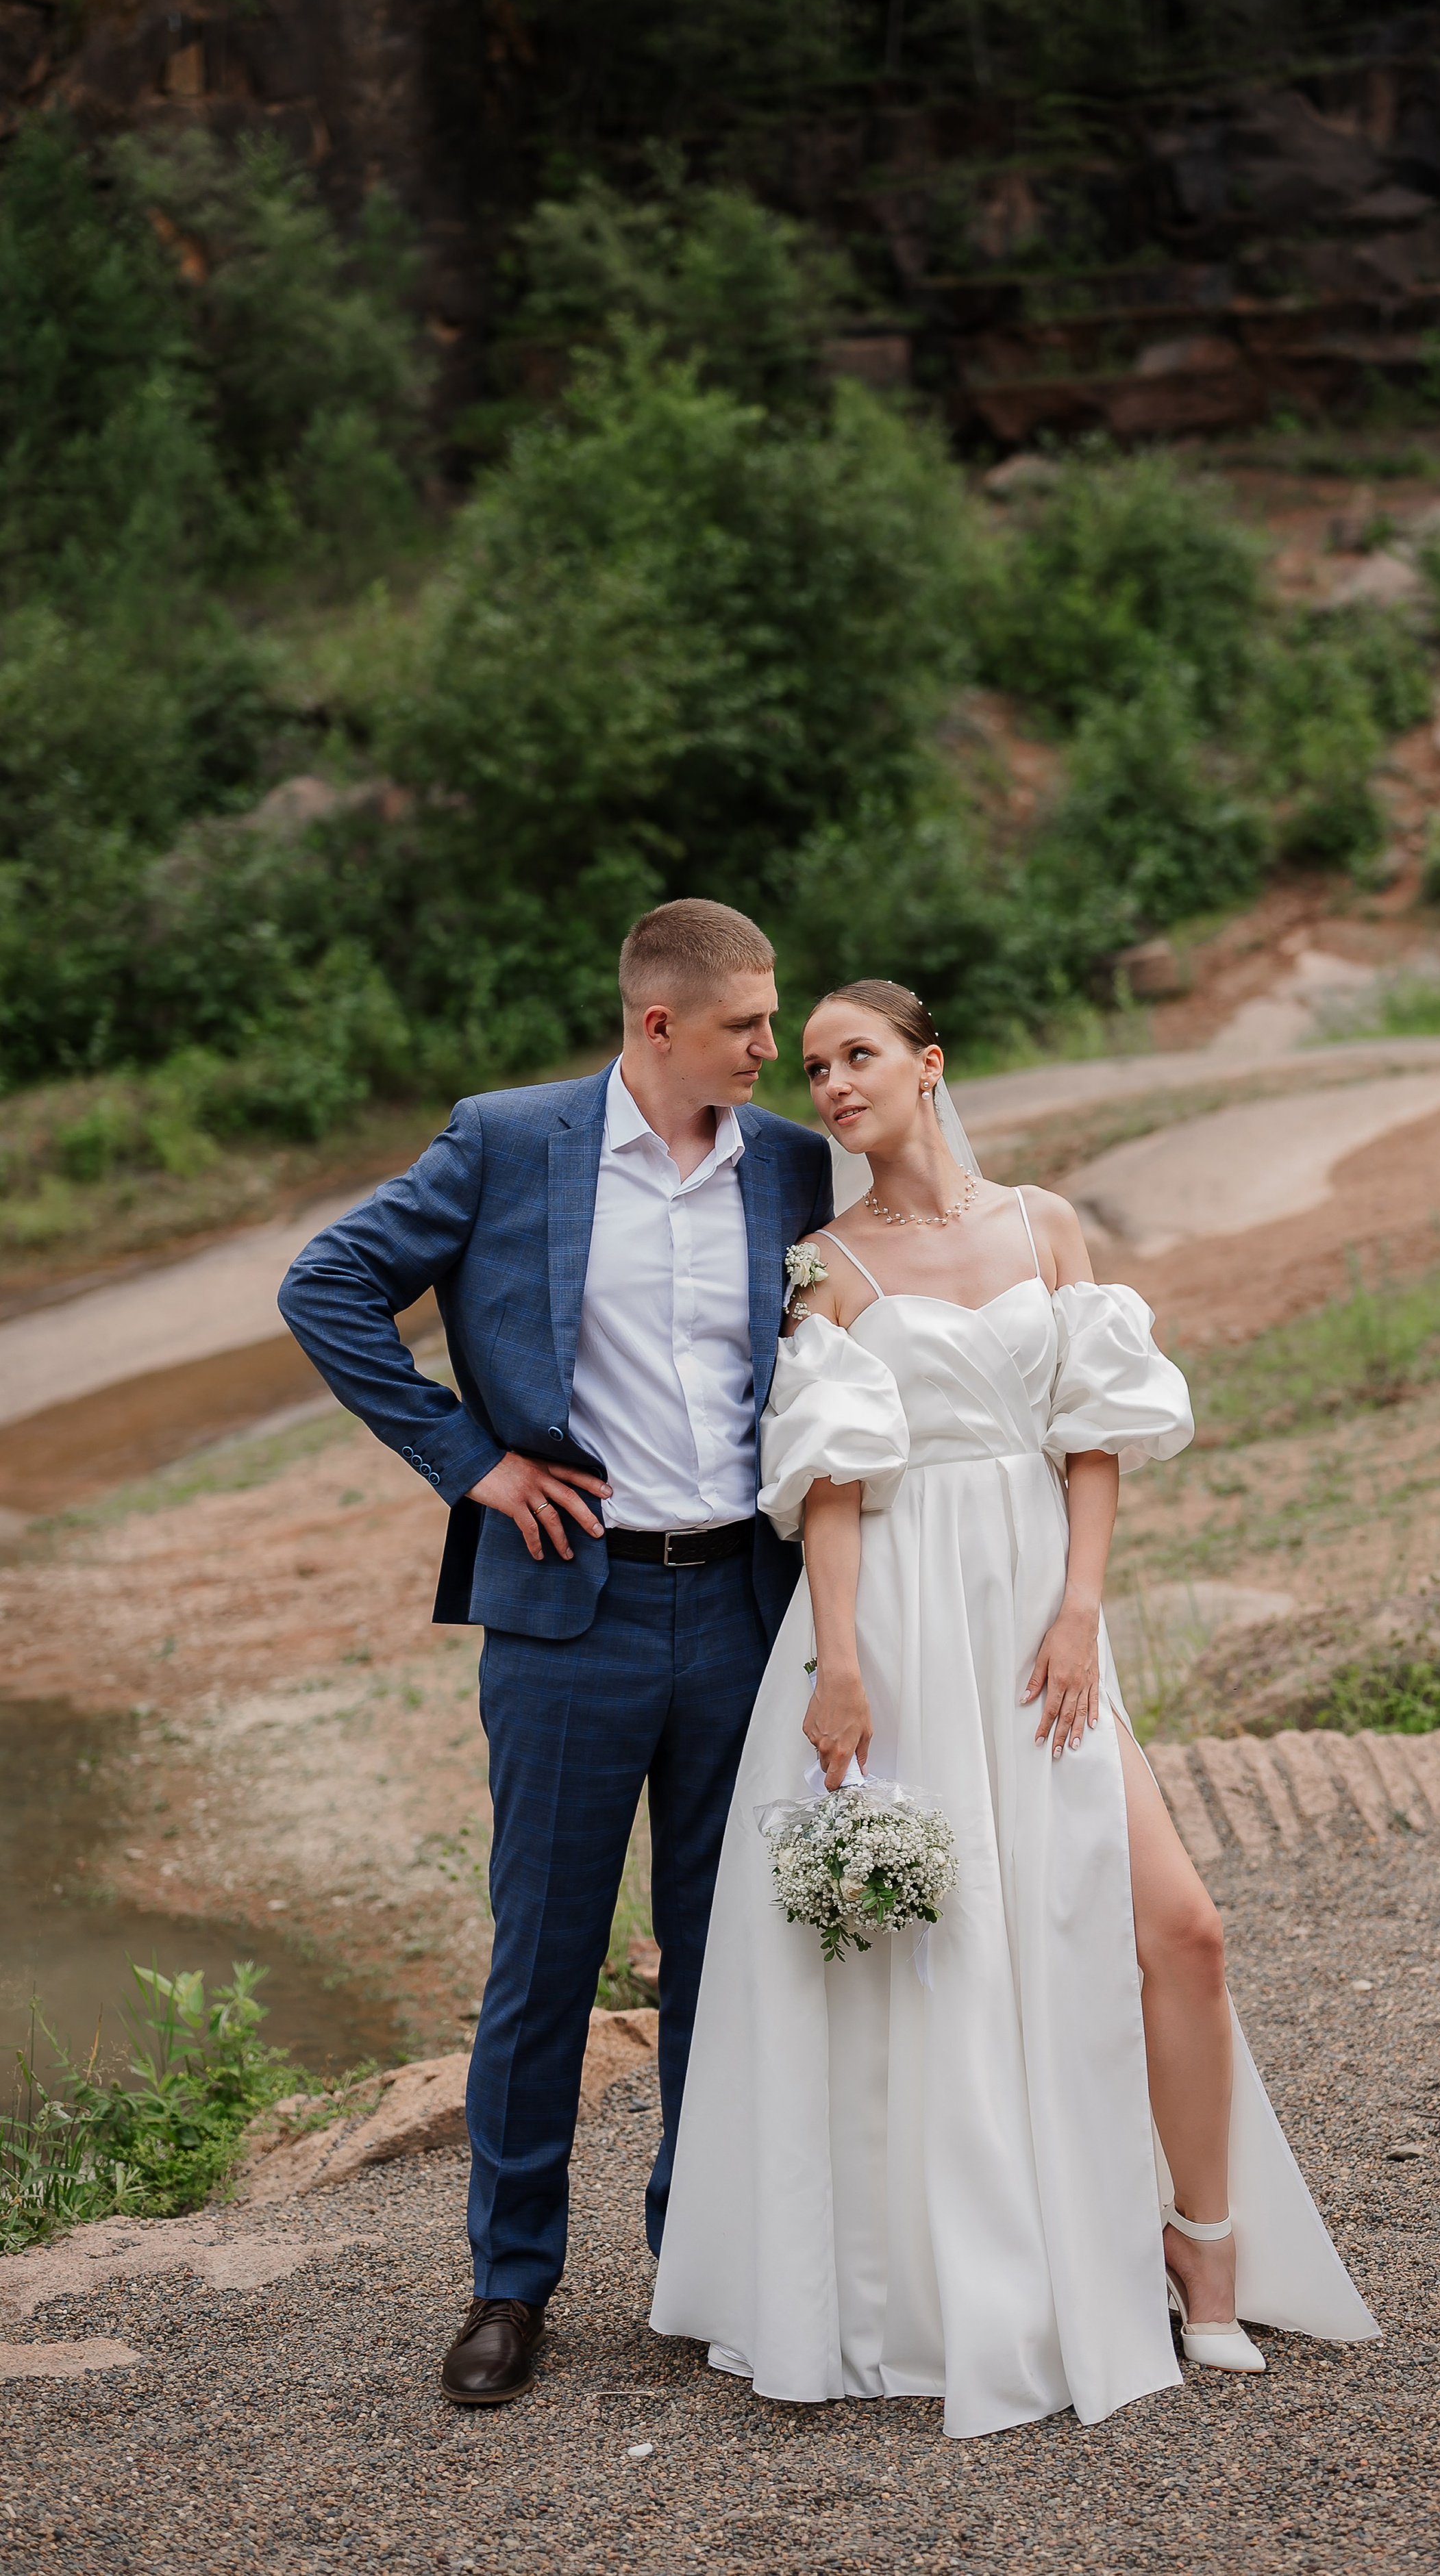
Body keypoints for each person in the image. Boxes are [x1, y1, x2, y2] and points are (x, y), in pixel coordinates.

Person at [651, 979, 1378, 2439]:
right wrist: (839, 1665)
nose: (833, 1082)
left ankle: (1203, 2252)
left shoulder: (1047, 1225)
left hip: (1041, 1620)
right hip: (902, 1620)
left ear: (928, 1064)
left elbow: (1091, 1429)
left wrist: (1078, 1606)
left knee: (1177, 1923)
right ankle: (954, 2274)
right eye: (811, 1065)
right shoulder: (825, 1264)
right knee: (951, 1950)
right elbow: (834, 1485)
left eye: (858, 1054)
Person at [278, 899, 832, 2405]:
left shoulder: (787, 1161)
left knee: (730, 1954)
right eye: (745, 1026)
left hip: (742, 1611)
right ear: (657, 1025)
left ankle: (696, 2264)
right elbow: (324, 1286)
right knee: (542, 1959)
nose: (770, 1049)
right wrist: (468, 1460)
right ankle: (508, 2285)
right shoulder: (507, 1140)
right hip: (562, 1608)